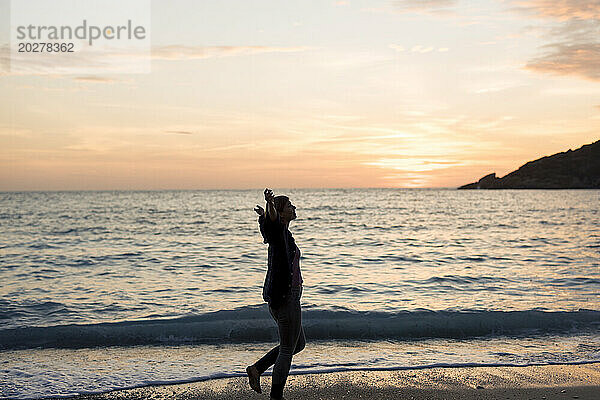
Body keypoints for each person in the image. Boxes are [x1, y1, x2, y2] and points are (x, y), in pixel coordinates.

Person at [246, 188, 305, 400]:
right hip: (285, 298)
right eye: (290, 206)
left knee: (298, 344)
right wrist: (270, 205)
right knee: (288, 348)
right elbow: (272, 224)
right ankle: (276, 396)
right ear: (281, 213)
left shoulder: (284, 235)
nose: (294, 208)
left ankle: (257, 369)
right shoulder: (279, 233)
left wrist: (265, 214)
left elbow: (270, 224)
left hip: (289, 297)